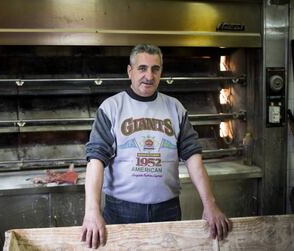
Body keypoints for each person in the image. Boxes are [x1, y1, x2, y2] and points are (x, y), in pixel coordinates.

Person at [80, 44, 232, 249]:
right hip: (121, 210)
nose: (149, 76)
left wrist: (210, 204)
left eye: (155, 69)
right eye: (142, 68)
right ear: (130, 71)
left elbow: (193, 157)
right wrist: (92, 211)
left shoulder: (175, 108)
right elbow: (95, 160)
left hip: (167, 209)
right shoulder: (111, 107)